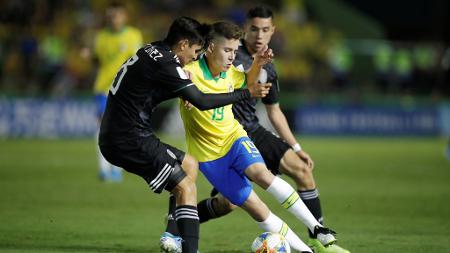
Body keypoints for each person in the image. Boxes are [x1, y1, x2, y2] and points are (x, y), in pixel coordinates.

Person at [160, 21, 338, 253]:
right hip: (209, 157)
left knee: (262, 174)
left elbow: (247, 81)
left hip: (235, 138)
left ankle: (316, 228)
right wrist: (182, 87)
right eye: (227, 50)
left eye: (235, 51)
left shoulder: (231, 73)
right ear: (211, 47)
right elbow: (177, 82)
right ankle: (306, 251)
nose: (232, 56)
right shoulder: (190, 72)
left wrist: (257, 63)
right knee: (257, 208)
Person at [99, 17, 271, 253]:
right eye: (195, 51)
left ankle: (172, 235)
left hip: (122, 132)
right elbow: (200, 100)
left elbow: (153, 88)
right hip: (129, 139)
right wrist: (245, 93)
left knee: (189, 165)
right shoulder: (168, 64)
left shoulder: (151, 50)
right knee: (186, 188)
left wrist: (183, 90)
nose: (195, 57)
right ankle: (190, 249)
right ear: (182, 44)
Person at [92, 2, 143, 181]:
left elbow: (138, 61)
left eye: (117, 15)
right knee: (102, 128)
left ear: (124, 17)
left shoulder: (133, 35)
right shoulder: (101, 37)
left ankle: (116, 170)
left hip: (123, 90)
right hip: (103, 89)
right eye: (111, 15)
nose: (114, 19)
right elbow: (97, 60)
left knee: (121, 129)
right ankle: (104, 169)